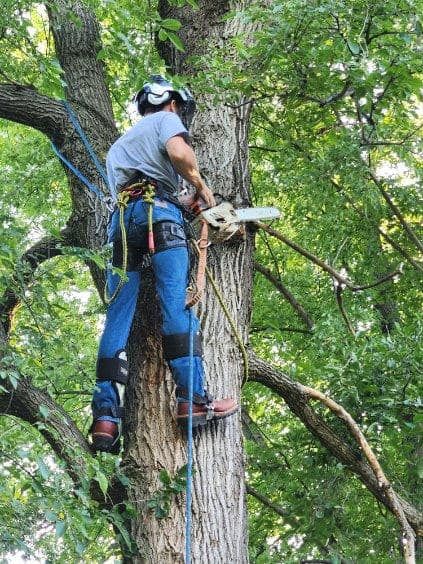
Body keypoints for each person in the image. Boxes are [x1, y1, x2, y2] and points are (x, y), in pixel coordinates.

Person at [91, 76, 238, 453]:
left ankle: (105, 416)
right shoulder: (165, 120)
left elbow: (144, 185)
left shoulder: (119, 148)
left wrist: (181, 198)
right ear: (172, 103)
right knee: (176, 303)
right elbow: (179, 153)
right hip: (161, 218)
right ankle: (192, 398)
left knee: (118, 316)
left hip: (124, 224)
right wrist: (201, 188)